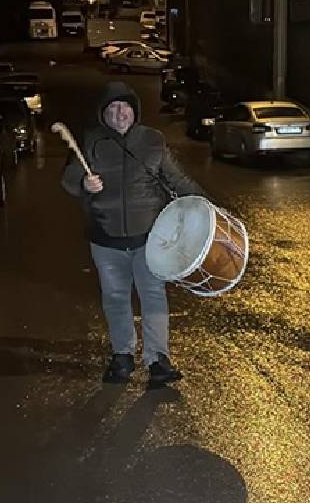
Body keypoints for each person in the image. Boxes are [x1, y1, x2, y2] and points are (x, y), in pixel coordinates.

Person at [62, 81, 206, 387]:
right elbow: (69, 179)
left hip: (150, 239)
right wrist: (84, 186)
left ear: (134, 111)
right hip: (106, 238)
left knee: (153, 296)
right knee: (115, 297)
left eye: (125, 107)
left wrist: (208, 208)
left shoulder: (152, 141)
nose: (119, 113)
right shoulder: (92, 143)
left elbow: (177, 179)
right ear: (104, 114)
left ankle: (157, 360)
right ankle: (122, 355)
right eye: (112, 108)